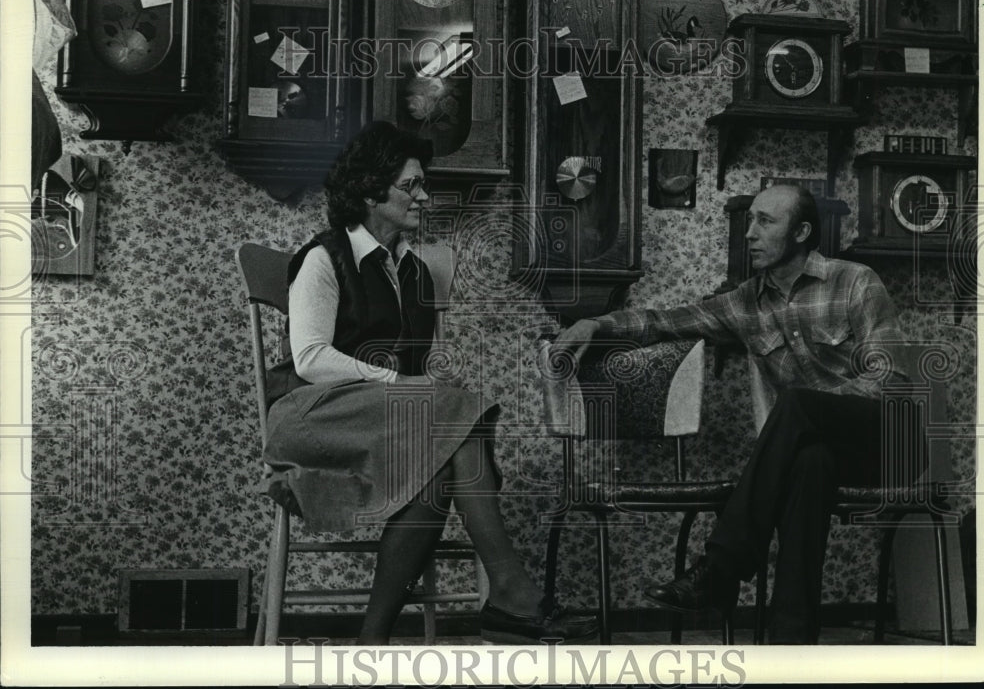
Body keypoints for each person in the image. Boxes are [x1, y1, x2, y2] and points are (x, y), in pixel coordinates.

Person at [263, 121, 597, 645]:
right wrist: (399, 379)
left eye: (423, 184)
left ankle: (371, 644)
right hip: (311, 416)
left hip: (384, 421)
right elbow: (309, 359)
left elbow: (421, 376)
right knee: (453, 411)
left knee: (438, 469)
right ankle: (510, 591)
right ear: (372, 191)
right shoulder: (323, 258)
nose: (424, 196)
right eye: (411, 185)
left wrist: (422, 388)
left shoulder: (416, 273)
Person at [552, 184, 915, 644]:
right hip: (823, 447)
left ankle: (721, 568)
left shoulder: (856, 281)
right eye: (750, 221)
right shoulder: (746, 303)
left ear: (802, 231)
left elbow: (889, 382)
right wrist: (597, 323)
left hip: (888, 439)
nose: (750, 233)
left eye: (766, 221)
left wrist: (818, 411)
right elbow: (666, 321)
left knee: (799, 406)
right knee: (810, 463)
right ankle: (791, 644)